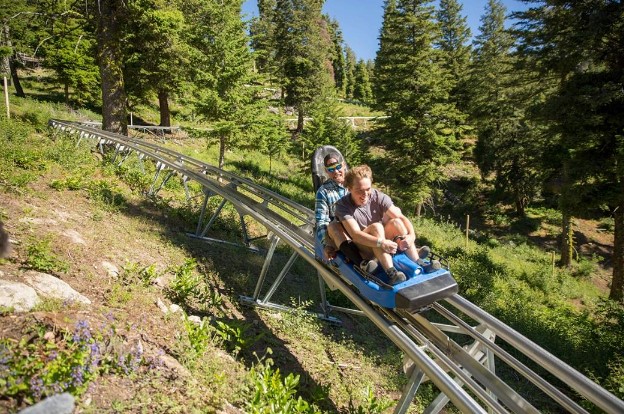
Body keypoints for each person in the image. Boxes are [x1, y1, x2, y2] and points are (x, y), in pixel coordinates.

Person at [334, 164, 437, 285]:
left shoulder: (378, 196)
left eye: (368, 189)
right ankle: (391, 272)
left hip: (382, 240)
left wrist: (411, 236)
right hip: (363, 246)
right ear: (349, 189)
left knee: (396, 222)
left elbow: (400, 216)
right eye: (359, 191)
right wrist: (381, 242)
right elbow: (356, 235)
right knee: (376, 226)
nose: (365, 194)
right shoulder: (343, 206)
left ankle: (417, 261)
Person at [315, 153, 378, 273]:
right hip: (341, 232)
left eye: (338, 167)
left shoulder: (356, 182)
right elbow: (322, 221)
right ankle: (360, 263)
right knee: (334, 226)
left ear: (343, 165)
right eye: (331, 169)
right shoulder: (323, 192)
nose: (336, 172)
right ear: (326, 171)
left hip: (360, 226)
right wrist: (326, 244)